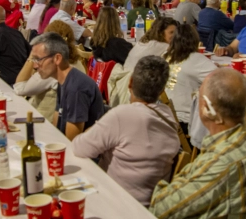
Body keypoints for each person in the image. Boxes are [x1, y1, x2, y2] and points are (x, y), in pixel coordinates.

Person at [150, 68, 246, 218]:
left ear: (208, 109)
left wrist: (161, 183)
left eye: (199, 97)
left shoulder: (222, 165)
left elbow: (160, 208)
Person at [72, 56, 180, 206]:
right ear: (161, 90)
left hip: (113, 202)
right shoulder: (169, 118)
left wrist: (93, 128)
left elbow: (78, 148)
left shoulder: (122, 116)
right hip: (149, 207)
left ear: (130, 83)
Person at [30, 33, 104, 140]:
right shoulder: (63, 80)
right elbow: (57, 129)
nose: (35, 65)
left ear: (57, 59)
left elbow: (72, 143)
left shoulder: (76, 88)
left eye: (38, 59)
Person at [15, 21, 88, 120]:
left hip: (43, 122)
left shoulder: (52, 68)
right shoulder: (77, 63)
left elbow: (19, 89)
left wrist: (32, 56)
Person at [163, 24, 217, 146]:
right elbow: (223, 78)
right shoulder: (196, 60)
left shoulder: (165, 56)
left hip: (165, 118)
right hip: (185, 123)